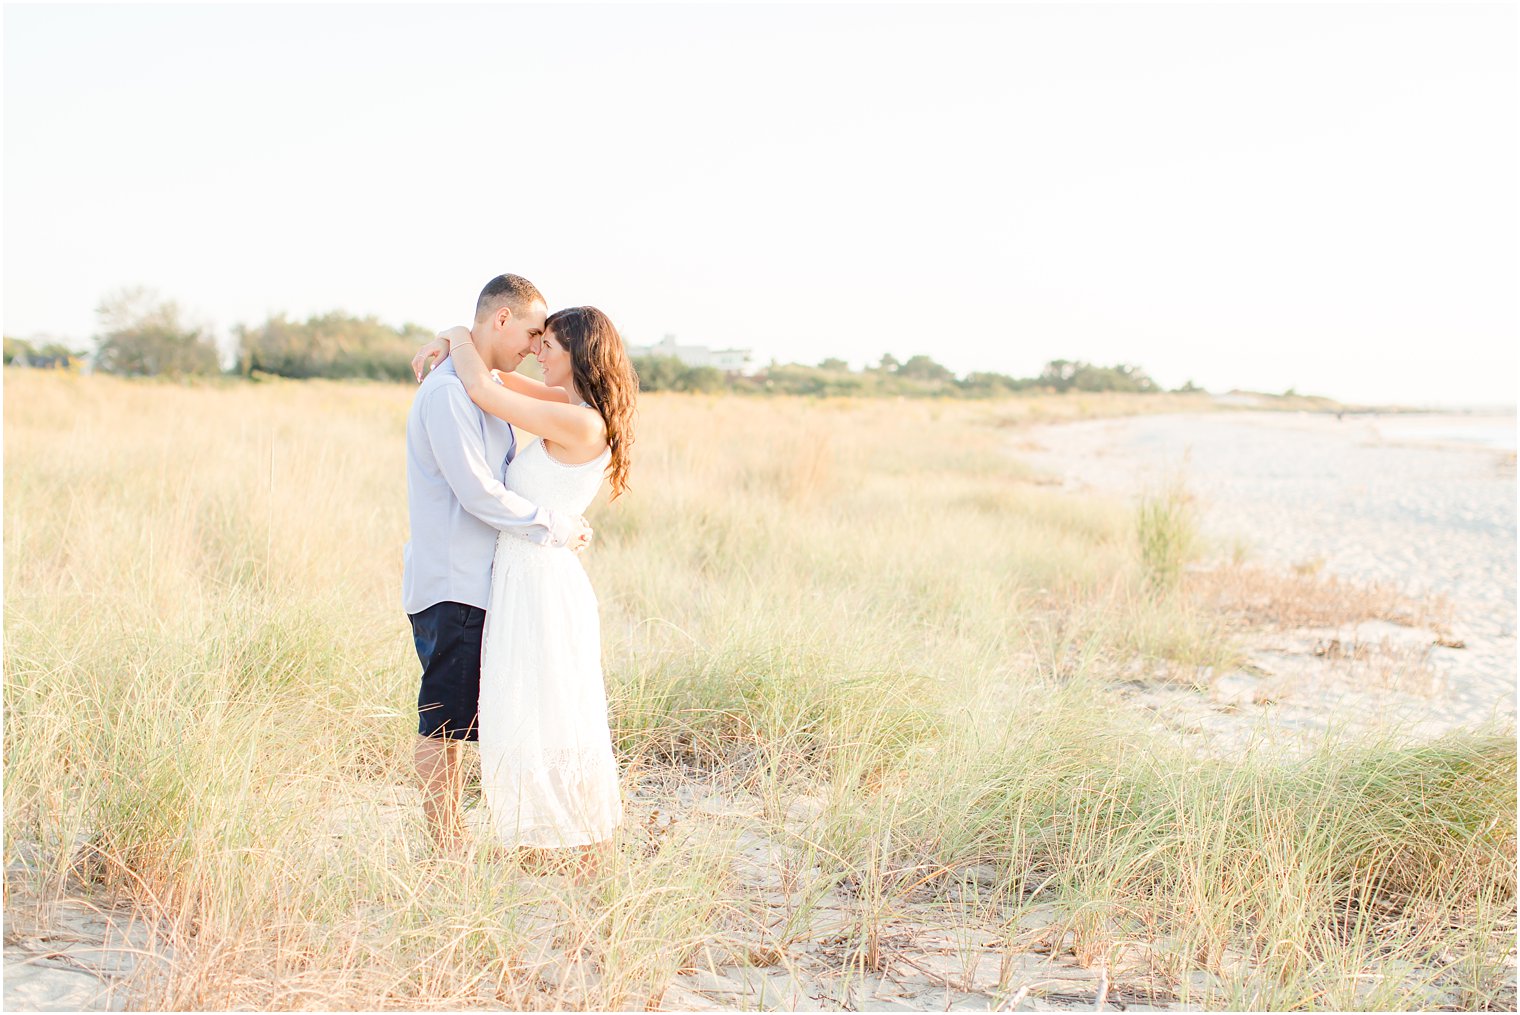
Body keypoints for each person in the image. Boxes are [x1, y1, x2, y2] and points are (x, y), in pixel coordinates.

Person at [412, 304, 637, 876]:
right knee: (528, 702)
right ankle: (544, 833)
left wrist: (457, 333)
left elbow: (485, 393)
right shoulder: (566, 404)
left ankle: (576, 840)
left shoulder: (582, 422)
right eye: (536, 341)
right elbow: (488, 377)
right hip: (517, 573)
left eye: (550, 345)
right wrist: (453, 336)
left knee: (553, 703)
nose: (538, 351)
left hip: (540, 576)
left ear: (581, 353)